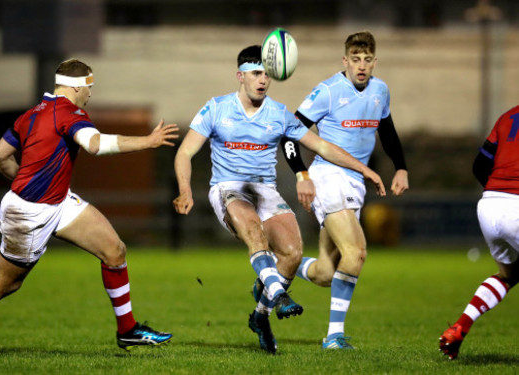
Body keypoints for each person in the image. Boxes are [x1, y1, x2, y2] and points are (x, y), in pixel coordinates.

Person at [0, 58, 176, 357]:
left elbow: (0, 154)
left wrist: (25, 177)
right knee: (6, 284)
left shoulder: (31, 114)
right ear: (78, 87)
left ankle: (127, 331)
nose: (90, 94)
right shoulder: (69, 112)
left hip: (59, 200)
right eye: (90, 88)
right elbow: (96, 145)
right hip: (29, 212)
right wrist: (148, 141)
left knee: (114, 250)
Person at [172, 45, 386, 354]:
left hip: (266, 191)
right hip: (228, 189)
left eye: (267, 74)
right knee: (252, 229)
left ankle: (260, 317)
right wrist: (185, 188)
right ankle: (280, 294)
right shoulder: (216, 108)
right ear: (240, 76)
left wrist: (364, 169)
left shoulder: (278, 113)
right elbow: (185, 151)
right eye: (256, 73)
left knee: (292, 253)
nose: (263, 80)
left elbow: (322, 147)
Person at [278, 31, 409, 350]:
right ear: (345, 61)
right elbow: (288, 136)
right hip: (328, 177)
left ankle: (272, 267)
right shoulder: (328, 91)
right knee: (357, 252)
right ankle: (334, 337)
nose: (361, 66)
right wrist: (301, 175)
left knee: (325, 273)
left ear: (375, 62)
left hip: (353, 183)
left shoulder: (380, 90)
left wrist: (401, 167)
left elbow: (387, 132)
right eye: (355, 60)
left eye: (367, 60)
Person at [439, 105, 519, 360]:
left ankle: (460, 326)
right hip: (516, 204)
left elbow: (479, 165)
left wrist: (500, 193)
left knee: (509, 274)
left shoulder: (508, 115)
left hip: (490, 204)